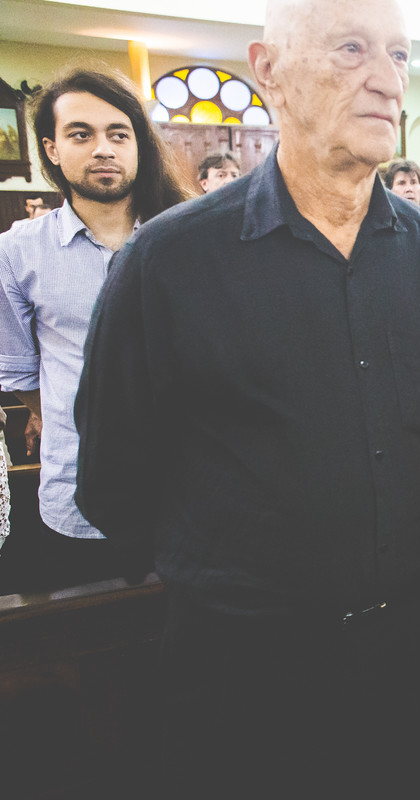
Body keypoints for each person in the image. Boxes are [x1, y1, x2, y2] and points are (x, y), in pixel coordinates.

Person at [73, 1, 420, 796]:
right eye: (352, 49)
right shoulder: (170, 261)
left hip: (409, 662)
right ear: (269, 71)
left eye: (399, 55)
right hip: (245, 676)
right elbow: (114, 481)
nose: (386, 80)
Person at [0, 67, 189, 592]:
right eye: (81, 134)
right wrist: (80, 417)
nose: (103, 148)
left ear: (140, 145)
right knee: (92, 632)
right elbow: (19, 371)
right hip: (77, 494)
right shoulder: (18, 251)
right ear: (52, 149)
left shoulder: (189, 239)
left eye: (118, 133)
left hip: (188, 495)